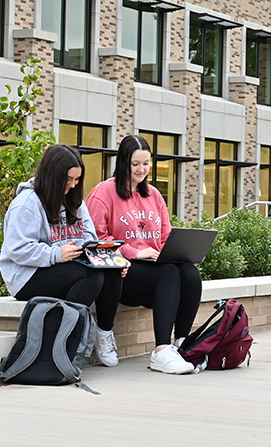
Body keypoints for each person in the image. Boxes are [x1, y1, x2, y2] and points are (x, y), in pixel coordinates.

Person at [0, 144, 124, 367]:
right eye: (69, 179)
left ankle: (103, 334)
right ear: (53, 176)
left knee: (111, 272)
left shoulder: (74, 200)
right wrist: (56, 254)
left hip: (66, 264)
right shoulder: (27, 204)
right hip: (27, 276)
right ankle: (61, 342)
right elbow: (17, 249)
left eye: (77, 179)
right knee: (91, 277)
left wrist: (107, 258)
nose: (74, 184)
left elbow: (88, 236)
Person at [87, 135, 201, 375]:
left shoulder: (154, 195)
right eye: (135, 164)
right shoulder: (104, 192)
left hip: (153, 270)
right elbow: (96, 238)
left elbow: (164, 237)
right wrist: (134, 252)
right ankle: (161, 350)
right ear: (123, 163)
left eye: (146, 163)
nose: (141, 169)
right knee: (169, 272)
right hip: (122, 273)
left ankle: (181, 344)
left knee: (189, 273)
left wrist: (175, 252)